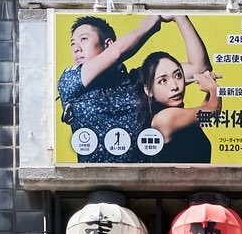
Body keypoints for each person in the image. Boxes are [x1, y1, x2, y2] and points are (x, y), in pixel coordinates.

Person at [57, 13, 165, 162]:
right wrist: (152, 22)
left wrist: (179, 16)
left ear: (107, 44)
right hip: (94, 182)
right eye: (73, 43)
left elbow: (198, 68)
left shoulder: (137, 80)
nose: (76, 48)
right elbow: (116, 53)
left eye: (84, 39)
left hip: (143, 180)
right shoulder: (70, 81)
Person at [134, 19, 222, 163]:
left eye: (178, 75)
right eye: (163, 80)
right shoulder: (165, 119)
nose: (174, 86)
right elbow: (212, 109)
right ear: (149, 90)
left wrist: (210, 91)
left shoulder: (175, 116)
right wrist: (213, 88)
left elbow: (204, 116)